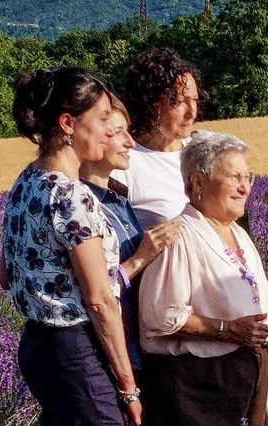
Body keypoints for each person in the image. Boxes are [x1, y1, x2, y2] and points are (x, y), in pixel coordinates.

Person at [3, 68, 140, 426]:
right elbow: (100, 301)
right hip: (75, 353)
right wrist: (127, 385)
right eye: (102, 118)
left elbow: (7, 275)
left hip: (38, 349)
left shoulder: (26, 182)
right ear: (68, 124)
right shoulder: (71, 196)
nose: (110, 129)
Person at [138, 130, 268, 426]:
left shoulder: (238, 234)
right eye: (235, 177)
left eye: (248, 177)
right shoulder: (180, 236)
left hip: (243, 381)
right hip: (202, 391)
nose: (246, 187)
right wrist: (229, 331)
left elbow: (234, 297)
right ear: (198, 183)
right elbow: (159, 316)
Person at [78, 95, 182, 375]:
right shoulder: (82, 205)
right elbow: (93, 294)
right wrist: (141, 257)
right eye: (118, 132)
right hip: (108, 357)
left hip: (139, 344)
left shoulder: (118, 198)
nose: (131, 142)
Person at [113, 47, 201, 230]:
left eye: (194, 100)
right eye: (179, 102)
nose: (192, 112)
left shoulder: (201, 152)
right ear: (150, 103)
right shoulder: (122, 165)